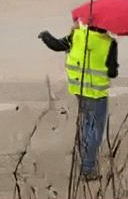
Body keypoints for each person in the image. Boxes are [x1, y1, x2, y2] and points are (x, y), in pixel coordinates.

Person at [38, 24, 118, 181]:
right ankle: (88, 169)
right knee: (95, 129)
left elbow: (56, 45)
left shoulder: (77, 35)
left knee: (85, 123)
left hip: (78, 89)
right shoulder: (109, 43)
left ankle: (84, 156)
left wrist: (46, 35)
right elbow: (112, 72)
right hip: (97, 92)